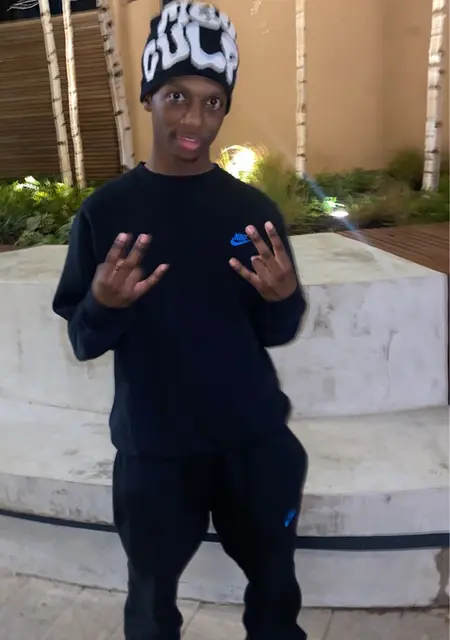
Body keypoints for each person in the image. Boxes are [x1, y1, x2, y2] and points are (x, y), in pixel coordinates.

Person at [52, 2, 309, 638]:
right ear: (148, 96)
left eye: (212, 102)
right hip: (155, 453)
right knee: (150, 605)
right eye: (176, 96)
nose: (194, 119)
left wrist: (283, 298)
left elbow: (277, 331)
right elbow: (83, 340)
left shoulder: (251, 211)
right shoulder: (105, 213)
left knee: (276, 593)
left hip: (255, 445)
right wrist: (103, 304)